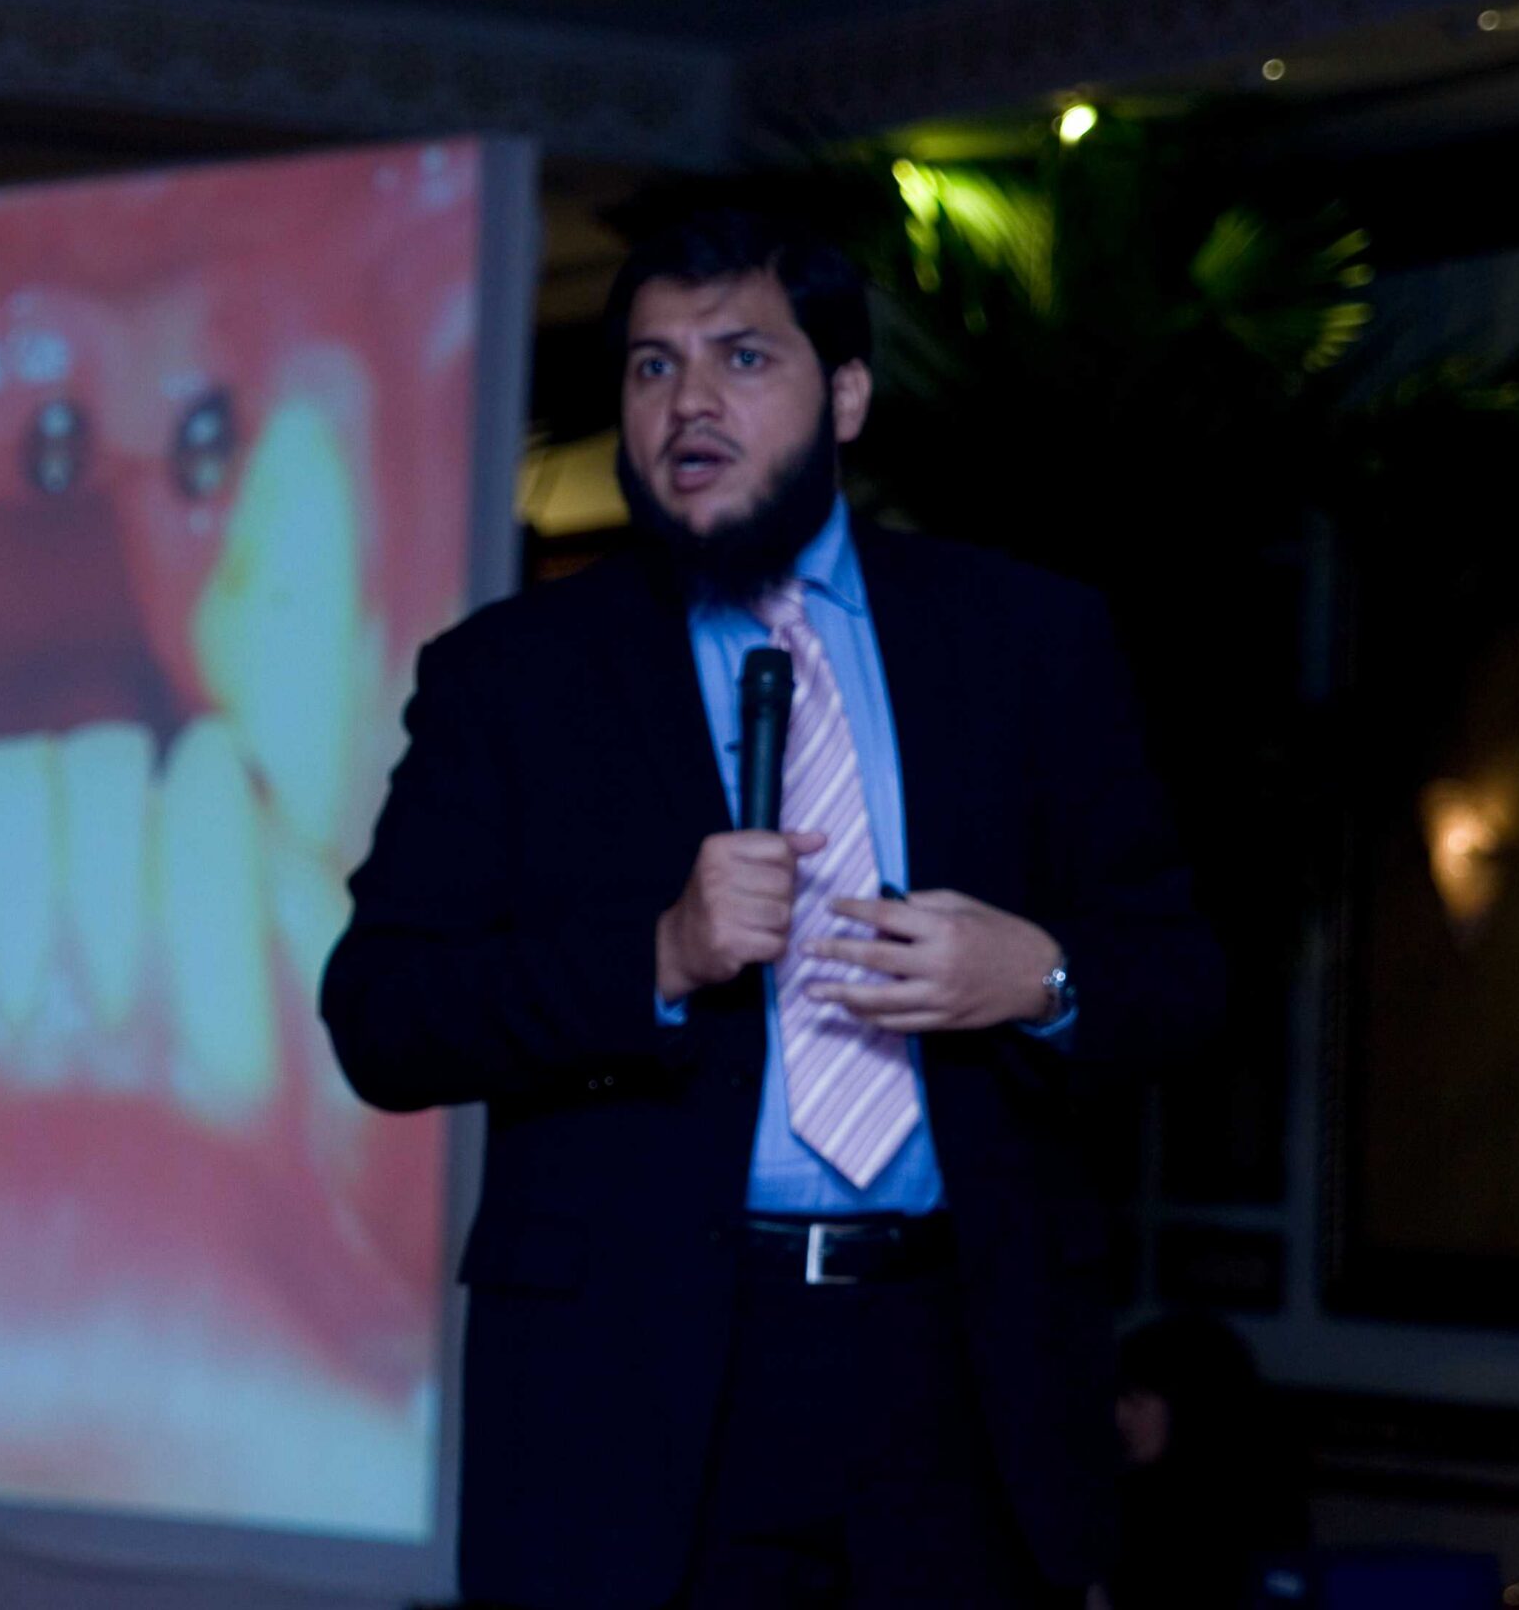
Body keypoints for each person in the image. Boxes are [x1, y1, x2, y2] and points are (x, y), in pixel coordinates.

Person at [321, 207, 1225, 1609]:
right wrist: (656, 955)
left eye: (742, 357)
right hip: (637, 1382)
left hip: (960, 1365)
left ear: (845, 394)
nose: (689, 401)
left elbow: (1179, 976)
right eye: (653, 366)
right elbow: (380, 1014)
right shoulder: (514, 676)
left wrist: (1038, 978)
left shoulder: (1028, 640)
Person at [1107, 1313, 1308, 1610]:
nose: (1119, 1416)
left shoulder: (1261, 1510)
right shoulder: (1115, 1500)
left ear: (1189, 1407)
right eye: (1117, 1397)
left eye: (1136, 1400)